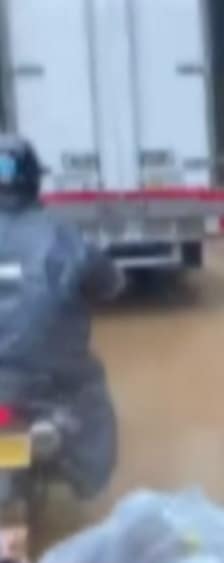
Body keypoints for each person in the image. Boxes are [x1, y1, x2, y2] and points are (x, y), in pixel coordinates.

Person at [0, 134, 123, 500]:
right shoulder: (61, 234)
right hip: (48, 377)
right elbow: (108, 282)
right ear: (34, 179)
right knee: (91, 390)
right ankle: (84, 480)